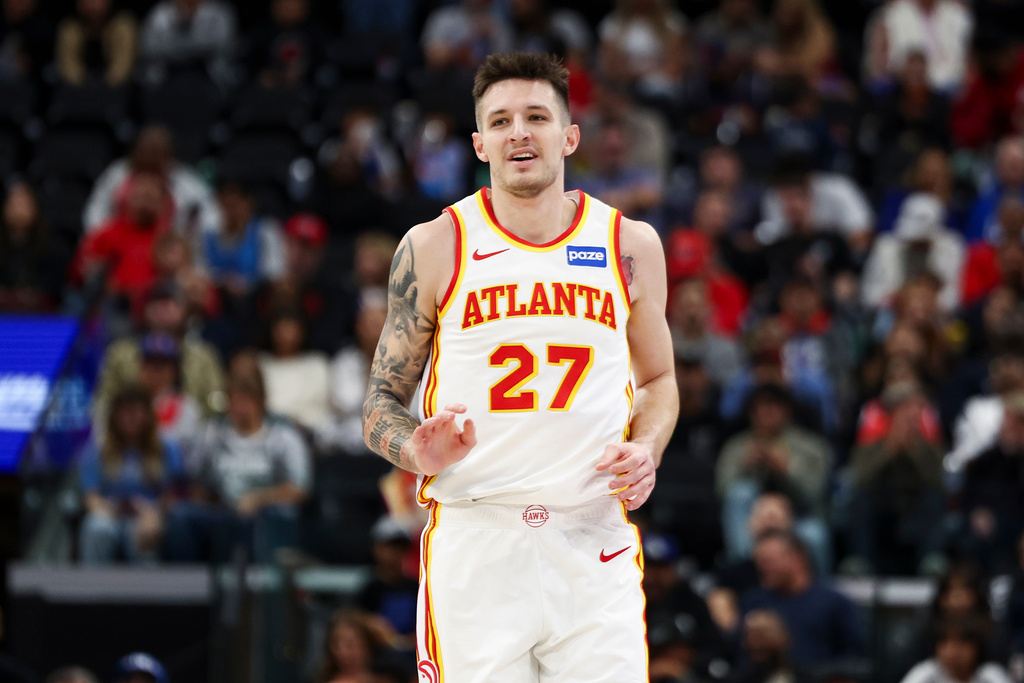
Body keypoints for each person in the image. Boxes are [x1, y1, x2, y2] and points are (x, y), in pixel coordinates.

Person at [361, 52, 677, 681]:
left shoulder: (630, 245)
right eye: (501, 121)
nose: (520, 133)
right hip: (479, 535)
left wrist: (648, 447)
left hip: (592, 533)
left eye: (537, 116)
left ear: (570, 135)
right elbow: (377, 405)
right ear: (479, 143)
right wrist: (417, 453)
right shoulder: (435, 246)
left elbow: (659, 381)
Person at [77, 384, 184, 564]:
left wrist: (155, 513)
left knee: (144, 532)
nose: (130, 418)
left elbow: (173, 495)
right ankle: (94, 588)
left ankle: (148, 590)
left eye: (135, 412)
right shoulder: (98, 450)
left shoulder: (167, 449)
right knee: (98, 528)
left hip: (148, 513)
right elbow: (91, 497)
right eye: (124, 412)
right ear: (114, 417)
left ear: (148, 415)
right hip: (109, 512)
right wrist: (108, 510)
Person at [739, 530, 865, 668]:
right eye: (760, 563)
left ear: (797, 558)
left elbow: (854, 657)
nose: (764, 569)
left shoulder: (834, 603)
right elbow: (739, 657)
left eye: (770, 562)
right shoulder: (754, 603)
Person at [55, 0, 137, 86]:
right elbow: (68, 67)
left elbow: (122, 69)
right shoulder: (70, 29)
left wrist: (107, 86)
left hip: (116, 90)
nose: (92, 6)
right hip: (77, 91)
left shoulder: (123, 28)